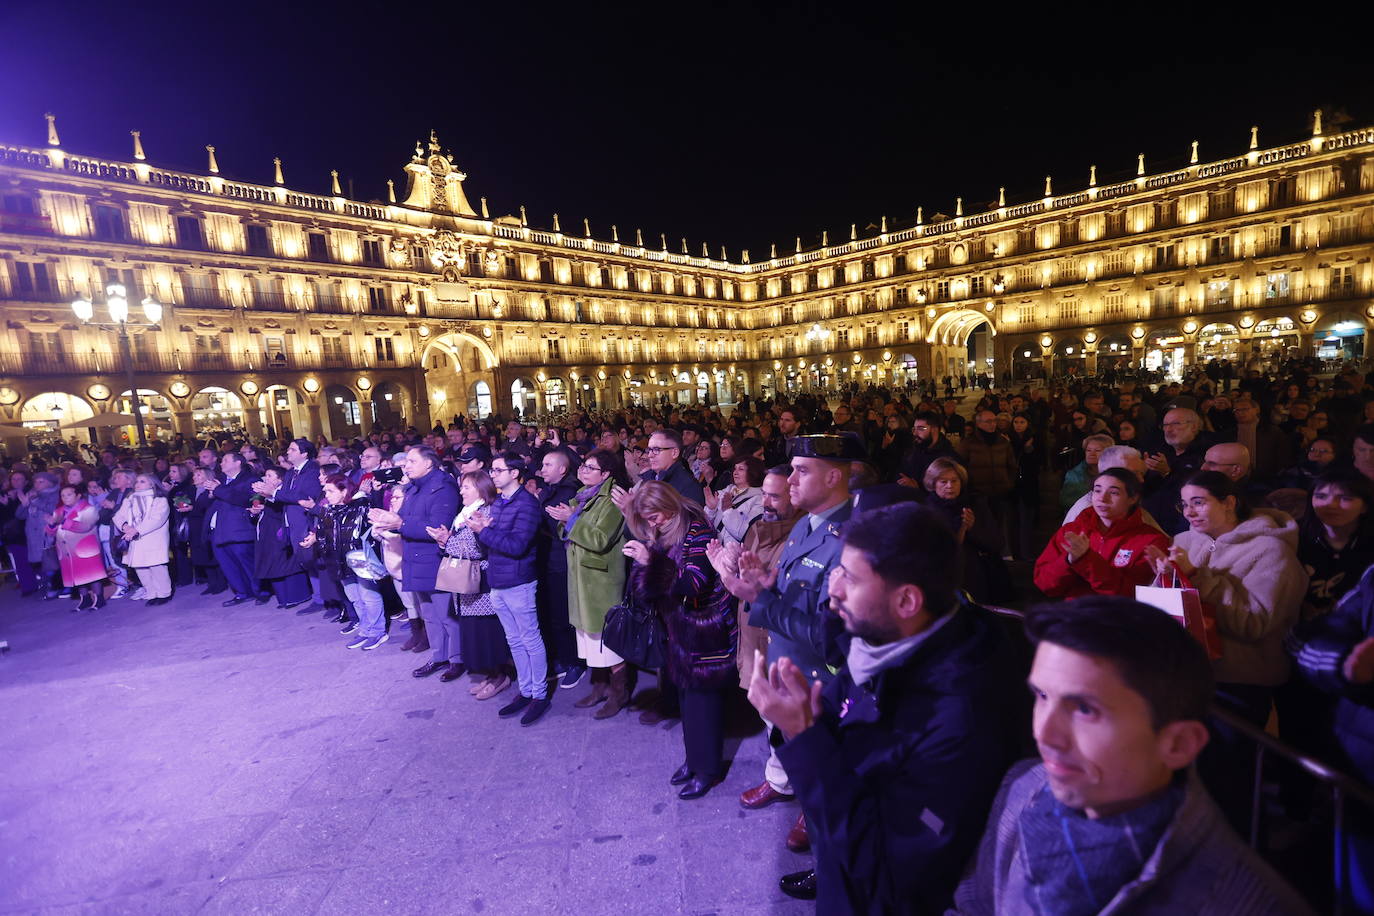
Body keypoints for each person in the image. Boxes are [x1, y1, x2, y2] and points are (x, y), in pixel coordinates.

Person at [949, 597, 1312, 916]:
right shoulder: (1023, 787)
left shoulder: (1248, 903)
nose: (1044, 734)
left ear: (1179, 745)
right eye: (1042, 696)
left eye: (1085, 710)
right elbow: (972, 906)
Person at [748, 502, 1020, 910]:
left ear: (907, 601)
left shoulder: (960, 718)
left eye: (851, 578)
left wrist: (803, 736)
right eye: (838, 570)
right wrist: (809, 716)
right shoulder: (886, 643)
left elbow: (886, 873)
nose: (834, 589)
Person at [711, 434, 864, 856]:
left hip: (819, 677)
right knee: (779, 735)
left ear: (834, 476)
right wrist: (764, 580)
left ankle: (815, 820)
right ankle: (782, 783)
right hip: (787, 660)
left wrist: (756, 599)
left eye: (802, 470)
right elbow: (795, 593)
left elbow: (828, 631)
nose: (790, 480)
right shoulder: (807, 522)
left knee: (822, 763)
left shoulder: (848, 537)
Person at [1146, 471, 1308, 833]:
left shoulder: (1270, 550)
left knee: (1230, 780)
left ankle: (1238, 858)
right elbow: (1181, 601)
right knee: (1191, 775)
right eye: (1184, 503)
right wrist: (1165, 577)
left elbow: (1256, 622)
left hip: (1239, 682)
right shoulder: (1187, 540)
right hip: (1192, 675)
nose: (1189, 512)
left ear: (1230, 501)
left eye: (1199, 501)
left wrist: (1197, 577)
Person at [624, 481, 737, 800]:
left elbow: (694, 583)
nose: (652, 523)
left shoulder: (697, 530)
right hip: (679, 626)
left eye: (655, 515)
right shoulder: (664, 530)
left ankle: (708, 770)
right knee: (687, 702)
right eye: (647, 518)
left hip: (703, 630)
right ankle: (694, 759)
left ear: (669, 505)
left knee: (704, 705)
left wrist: (652, 564)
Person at [553, 448, 632, 718]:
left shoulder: (611, 499)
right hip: (582, 578)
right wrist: (566, 520)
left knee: (605, 639)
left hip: (601, 580)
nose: (583, 470)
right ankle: (599, 686)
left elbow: (600, 539)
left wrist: (570, 520)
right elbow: (568, 530)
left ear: (606, 473)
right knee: (588, 637)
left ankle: (619, 692)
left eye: (590, 467)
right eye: (583, 466)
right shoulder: (584, 495)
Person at [472, 452, 550, 726]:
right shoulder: (500, 502)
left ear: (515, 473)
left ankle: (539, 694)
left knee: (530, 639)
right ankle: (525, 690)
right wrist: (483, 530)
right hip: (498, 579)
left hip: (519, 581)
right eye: (492, 470)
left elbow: (518, 546)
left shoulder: (527, 504)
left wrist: (484, 531)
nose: (492, 475)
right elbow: (495, 541)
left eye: (497, 470)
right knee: (514, 640)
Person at [370, 446, 459, 679]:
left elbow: (438, 527)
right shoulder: (414, 487)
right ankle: (439, 655)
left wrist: (399, 524)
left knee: (446, 614)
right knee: (428, 613)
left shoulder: (442, 487)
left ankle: (457, 659)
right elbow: (405, 517)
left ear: (428, 464)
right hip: (415, 557)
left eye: (411, 461)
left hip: (434, 560)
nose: (406, 466)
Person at [432, 471, 512, 696]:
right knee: (475, 633)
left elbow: (476, 549)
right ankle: (490, 675)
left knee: (487, 634)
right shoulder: (465, 513)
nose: (461, 491)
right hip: (467, 587)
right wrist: (445, 541)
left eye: (466, 487)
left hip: (481, 584)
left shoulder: (485, 512)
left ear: (480, 488)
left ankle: (500, 677)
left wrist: (447, 542)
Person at [1035, 467, 1168, 599]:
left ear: (1133, 498)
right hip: (1073, 615)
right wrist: (1068, 561)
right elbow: (1045, 584)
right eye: (1097, 490)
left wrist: (1086, 559)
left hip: (1120, 618)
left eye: (1114, 493)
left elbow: (1132, 594)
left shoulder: (1151, 540)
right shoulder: (1072, 531)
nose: (1102, 498)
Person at [302, 474, 389, 649]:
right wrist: (314, 538)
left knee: (369, 597)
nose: (326, 494)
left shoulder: (361, 505)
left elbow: (376, 517)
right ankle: (365, 630)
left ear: (344, 491)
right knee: (355, 598)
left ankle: (377, 632)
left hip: (360, 559)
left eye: (330, 490)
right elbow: (325, 533)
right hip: (337, 560)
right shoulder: (327, 510)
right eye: (325, 490)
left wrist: (368, 494)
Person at [920, 458, 1010, 605]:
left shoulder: (975, 505)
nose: (950, 486)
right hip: (942, 581)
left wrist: (973, 528)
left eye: (955, 481)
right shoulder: (926, 512)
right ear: (933, 484)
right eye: (943, 482)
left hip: (974, 578)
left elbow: (997, 542)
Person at [531, 447, 583, 688]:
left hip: (560, 561)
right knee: (551, 612)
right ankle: (562, 658)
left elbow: (558, 528)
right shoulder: (550, 490)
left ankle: (574, 662)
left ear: (562, 469)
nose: (542, 469)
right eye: (542, 464)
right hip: (547, 559)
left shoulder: (568, 491)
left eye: (548, 465)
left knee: (563, 614)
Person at [250, 466, 311, 609]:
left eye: (270, 475)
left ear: (280, 479)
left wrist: (267, 504)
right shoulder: (264, 494)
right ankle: (283, 598)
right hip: (266, 535)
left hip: (280, 534)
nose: (266, 479)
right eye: (265, 475)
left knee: (287, 566)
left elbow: (283, 513)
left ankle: (298, 596)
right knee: (273, 567)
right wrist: (255, 512)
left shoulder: (284, 493)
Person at [112, 473, 172, 606]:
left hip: (152, 537)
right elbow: (118, 516)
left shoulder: (159, 500)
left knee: (156, 566)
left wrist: (136, 530)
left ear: (152, 484)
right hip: (134, 538)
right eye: (137, 481)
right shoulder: (130, 499)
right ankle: (151, 593)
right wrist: (125, 526)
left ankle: (164, 593)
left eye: (143, 481)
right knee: (140, 567)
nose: (138, 484)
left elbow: (156, 519)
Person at [50, 483, 105, 610]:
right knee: (77, 575)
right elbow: (50, 531)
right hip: (66, 550)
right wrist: (51, 525)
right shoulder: (58, 511)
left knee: (92, 574)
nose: (65, 498)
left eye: (69, 494)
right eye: (63, 495)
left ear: (78, 495)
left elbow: (85, 526)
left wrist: (63, 521)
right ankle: (84, 598)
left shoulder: (88, 509)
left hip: (85, 547)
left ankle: (99, 598)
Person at [702, 455, 764, 545]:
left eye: (741, 469)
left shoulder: (759, 500)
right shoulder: (724, 492)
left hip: (734, 553)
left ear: (753, 472)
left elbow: (747, 533)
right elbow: (706, 525)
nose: (735, 472)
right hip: (714, 549)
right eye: (735, 468)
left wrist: (728, 511)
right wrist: (711, 509)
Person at [1058, 433, 1112, 513]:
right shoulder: (1074, 475)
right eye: (1088, 450)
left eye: (1097, 450)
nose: (1092, 454)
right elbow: (1064, 500)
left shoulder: (1115, 474)